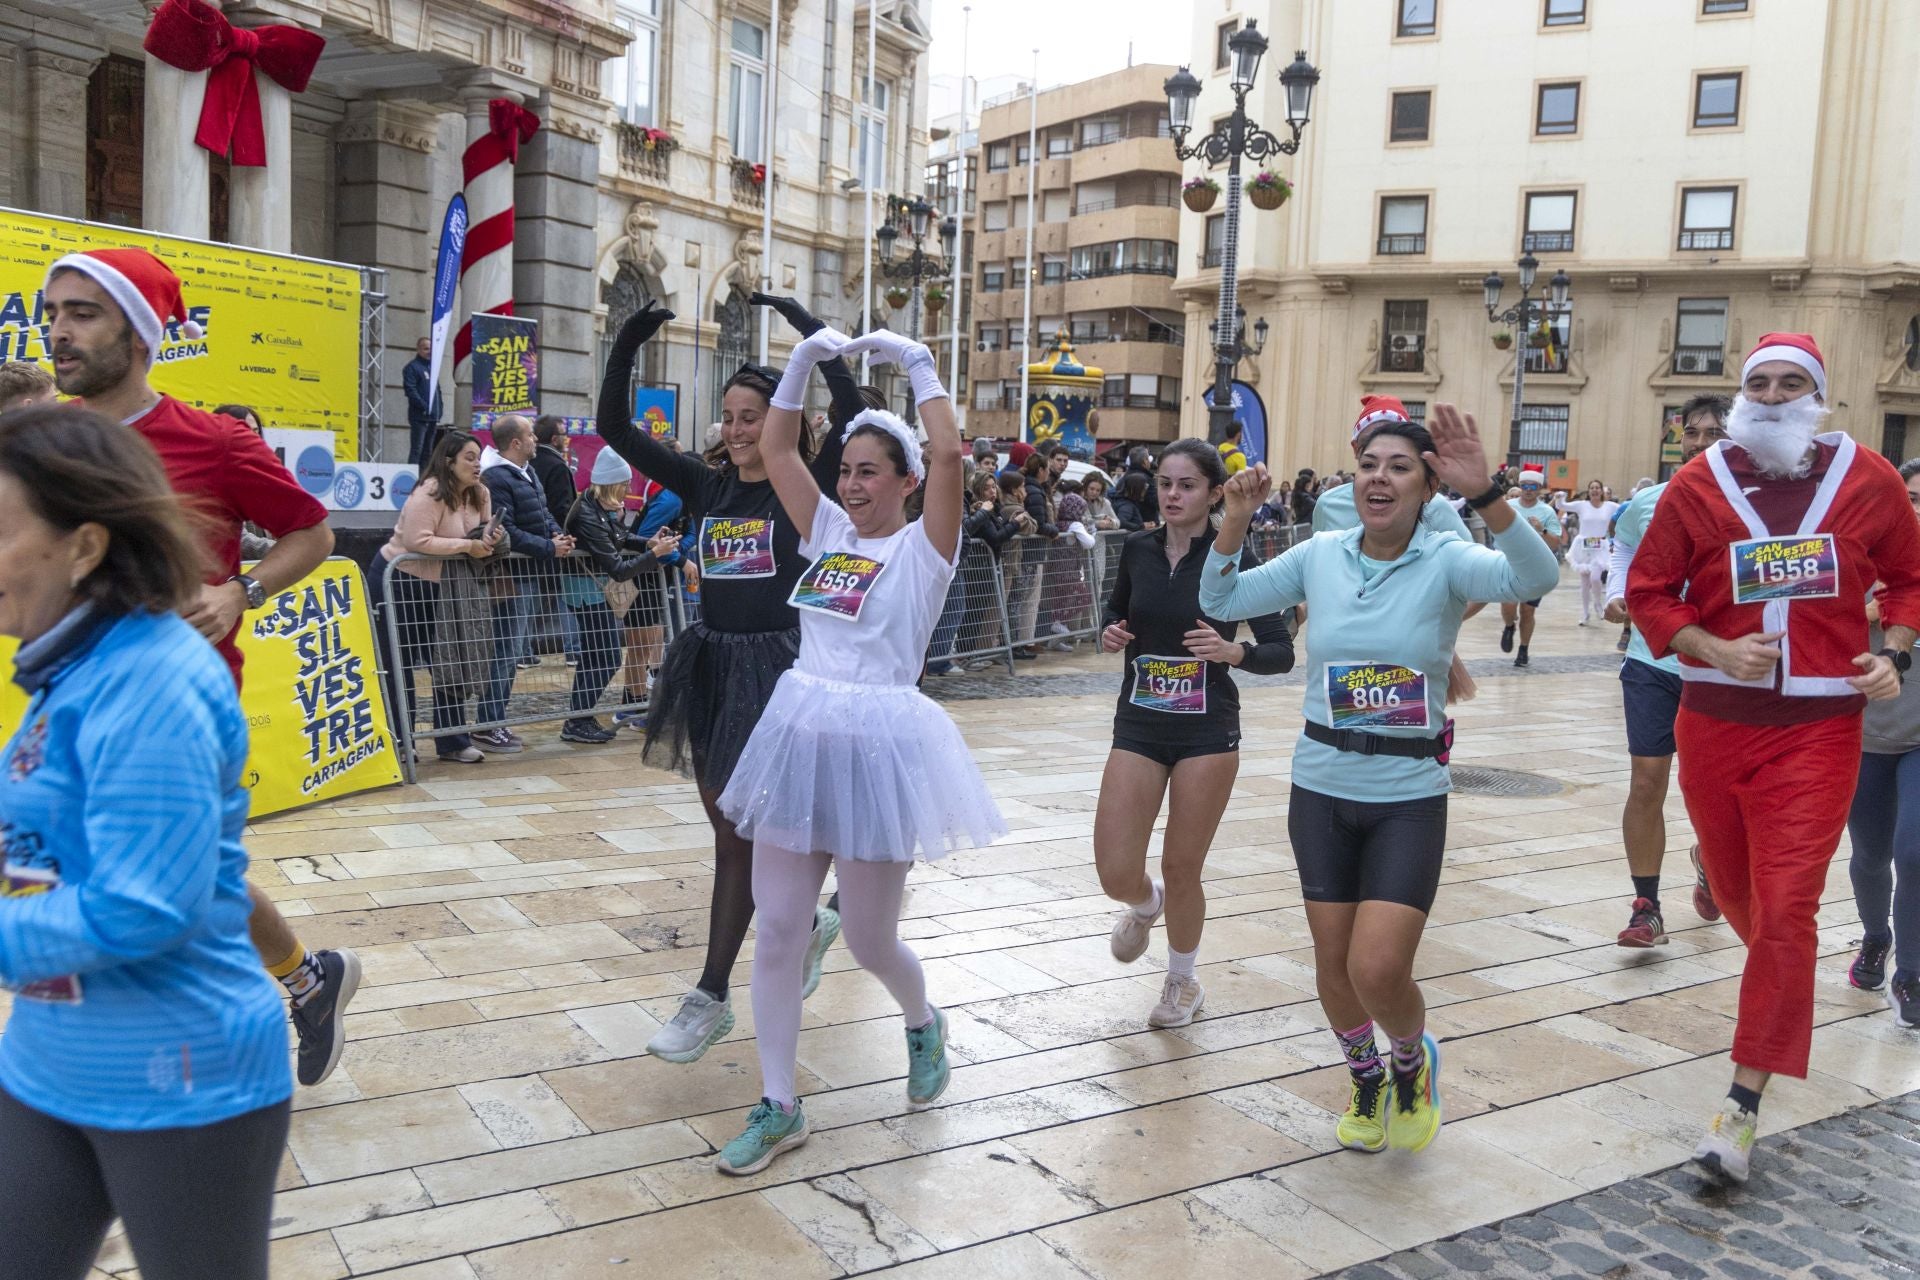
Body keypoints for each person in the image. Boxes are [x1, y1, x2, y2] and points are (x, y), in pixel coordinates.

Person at [1201, 406, 1557, 1157]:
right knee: (1334, 966)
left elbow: (1536, 576)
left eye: (1399, 467)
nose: (1379, 477)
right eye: (1369, 465)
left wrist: (1489, 494)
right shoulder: (1321, 552)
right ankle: (1363, 1073)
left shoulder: (1446, 560)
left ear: (1428, 487)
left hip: (1406, 794)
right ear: (1353, 478)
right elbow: (1223, 603)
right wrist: (1232, 521)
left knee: (1378, 965)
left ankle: (1409, 1058)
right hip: (1322, 783)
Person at [40, 246, 353, 1087]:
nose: (57, 331)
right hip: (68, 703)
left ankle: (162, 1063)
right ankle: (305, 982)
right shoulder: (42, 443)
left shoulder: (211, 442)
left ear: (139, 333)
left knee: (157, 886)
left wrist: (239, 592)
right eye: (53, 312)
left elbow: (312, 532)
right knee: (187, 878)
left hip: (182, 706)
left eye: (82, 313)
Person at [0, 405, 291, 1279]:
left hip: (181, 1078)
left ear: (85, 547)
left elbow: (140, 905)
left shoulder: (152, 677)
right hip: (50, 1059)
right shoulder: (72, 664)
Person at [1626, 332, 1920, 1185]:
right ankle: (1719, 873)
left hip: (1820, 731)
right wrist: (1713, 648)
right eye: (1763, 382)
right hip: (1714, 724)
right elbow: (1648, 591)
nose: (1778, 394)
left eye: (1795, 383)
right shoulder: (1697, 483)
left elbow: (1908, 577)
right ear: (1743, 394)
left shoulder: (1865, 478)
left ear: (1817, 395)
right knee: (1757, 910)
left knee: (1788, 911)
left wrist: (1892, 653)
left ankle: (1741, 1105)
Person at [712, 327, 1004, 1175]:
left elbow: (950, 453)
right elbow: (774, 443)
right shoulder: (828, 529)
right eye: (846, 469)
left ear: (906, 481)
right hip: (801, 735)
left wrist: (917, 365)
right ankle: (778, 1103)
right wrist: (804, 361)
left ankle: (922, 1019)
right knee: (777, 928)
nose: (852, 482)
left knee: (873, 940)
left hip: (881, 747)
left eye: (869, 470)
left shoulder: (926, 550)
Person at [594, 292, 866, 1063]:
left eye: (754, 415)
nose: (741, 429)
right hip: (712, 665)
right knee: (728, 831)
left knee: (750, 837)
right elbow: (615, 429)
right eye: (731, 415)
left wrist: (810, 336)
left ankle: (711, 992)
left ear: (778, 421)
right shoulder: (704, 485)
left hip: (782, 670)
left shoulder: (802, 481)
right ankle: (803, 922)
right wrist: (631, 338)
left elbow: (848, 414)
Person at [1096, 440, 1293, 1026]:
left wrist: (1233, 651)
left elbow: (1280, 651)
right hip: (1140, 721)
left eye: (1186, 485)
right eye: (1165, 483)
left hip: (1207, 730)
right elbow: (1117, 612)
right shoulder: (1137, 549)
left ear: (1214, 493)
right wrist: (1111, 633)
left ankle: (1182, 981)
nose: (1173, 495)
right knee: (1114, 870)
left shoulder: (1235, 558)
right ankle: (1143, 903)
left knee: (1183, 864)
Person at [1603, 394, 1729, 947]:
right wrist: (1615, 591)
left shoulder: (1753, 507)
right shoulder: (1651, 500)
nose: (1700, 444)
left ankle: (1709, 859)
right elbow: (1625, 546)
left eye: (1714, 433)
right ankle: (1646, 906)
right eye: (1691, 434)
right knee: (1647, 782)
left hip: (1722, 669)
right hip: (1651, 662)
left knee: (1713, 789)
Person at [1315, 397, 1485, 705]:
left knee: (1405, 731)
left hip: (1409, 647)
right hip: (1346, 642)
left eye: (1398, 458)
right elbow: (1317, 573)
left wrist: (1433, 622)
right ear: (1356, 450)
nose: (1381, 468)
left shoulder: (1436, 506)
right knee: (1347, 727)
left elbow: (1480, 586)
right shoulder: (1328, 505)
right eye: (1370, 450)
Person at [371, 429, 503, 764]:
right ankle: (402, 740)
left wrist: (492, 538)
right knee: (398, 662)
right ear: (448, 462)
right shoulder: (429, 492)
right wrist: (467, 546)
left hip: (447, 587)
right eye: (468, 458)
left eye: (478, 458)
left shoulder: (481, 494)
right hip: (401, 579)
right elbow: (418, 540)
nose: (476, 466)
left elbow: (481, 533)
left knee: (449, 660)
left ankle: (454, 741)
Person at [1845, 458, 1920, 1026]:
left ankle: (1911, 973)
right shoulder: (1854, 564)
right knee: (1870, 855)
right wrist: (1865, 608)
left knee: (1913, 853)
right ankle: (1876, 936)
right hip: (1864, 735)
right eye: (1913, 497)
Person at [560, 449, 680, 744]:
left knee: (598, 656)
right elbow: (618, 568)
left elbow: (620, 537)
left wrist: (647, 543)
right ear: (612, 483)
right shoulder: (588, 512)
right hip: (585, 591)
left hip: (591, 587)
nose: (629, 489)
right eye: (625, 484)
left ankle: (580, 717)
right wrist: (654, 553)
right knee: (606, 656)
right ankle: (577, 719)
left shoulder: (597, 504)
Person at [476, 415, 576, 750]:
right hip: (512, 578)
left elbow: (542, 512)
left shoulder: (528, 472)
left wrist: (556, 535)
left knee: (511, 649)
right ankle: (488, 723)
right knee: (505, 651)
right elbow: (509, 532)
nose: (536, 440)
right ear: (516, 443)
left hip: (530, 575)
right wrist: (549, 547)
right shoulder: (496, 478)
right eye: (530, 435)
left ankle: (495, 721)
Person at [527, 416, 583, 668]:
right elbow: (563, 508)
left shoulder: (529, 464)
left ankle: (524, 652)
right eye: (563, 433)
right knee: (563, 597)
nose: (566, 437)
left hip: (536, 541)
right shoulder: (557, 466)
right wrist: (567, 534)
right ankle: (574, 650)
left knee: (531, 600)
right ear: (553, 438)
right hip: (555, 542)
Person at [1499, 467, 1564, 667]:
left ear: (1539, 489)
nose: (1528, 490)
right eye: (1525, 486)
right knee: (1508, 605)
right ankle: (1509, 626)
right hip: (1508, 563)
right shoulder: (1507, 506)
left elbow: (1555, 542)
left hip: (1535, 567)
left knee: (1528, 611)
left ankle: (1523, 649)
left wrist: (1541, 529)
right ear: (1520, 486)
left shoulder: (1547, 511)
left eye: (1533, 486)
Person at [1563, 479, 1621, 626]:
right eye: (1592, 488)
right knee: (1584, 582)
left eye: (1597, 488)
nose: (1595, 490)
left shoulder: (1610, 506)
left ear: (1602, 491)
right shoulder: (1582, 505)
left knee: (1596, 578)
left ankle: (1597, 603)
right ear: (1589, 491)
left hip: (1600, 547)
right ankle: (1585, 612)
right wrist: (1559, 497)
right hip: (1583, 546)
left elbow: (1626, 509)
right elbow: (1562, 506)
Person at [403, 336, 444, 465]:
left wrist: (439, 409)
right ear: (418, 349)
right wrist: (425, 407)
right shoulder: (412, 368)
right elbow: (410, 390)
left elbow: (438, 391)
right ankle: (413, 480)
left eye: (431, 348)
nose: (429, 351)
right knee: (417, 450)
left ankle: (424, 479)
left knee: (428, 451)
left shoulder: (432, 368)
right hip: (419, 417)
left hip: (432, 417)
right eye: (426, 348)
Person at [1124, 445, 1160, 524]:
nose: (1149, 462)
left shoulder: (1125, 477)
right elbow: (1154, 501)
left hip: (1130, 521)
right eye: (1147, 459)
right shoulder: (1146, 479)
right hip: (1147, 523)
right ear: (1144, 461)